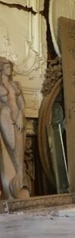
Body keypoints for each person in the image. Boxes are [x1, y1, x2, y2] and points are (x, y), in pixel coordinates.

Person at [0, 57, 29, 199]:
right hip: (5, 116)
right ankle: (13, 182)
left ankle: (19, 179)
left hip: (18, 117)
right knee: (11, 147)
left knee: (19, 148)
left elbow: (22, 103)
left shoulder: (15, 84)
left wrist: (20, 116)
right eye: (6, 66)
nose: (9, 69)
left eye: (10, 66)